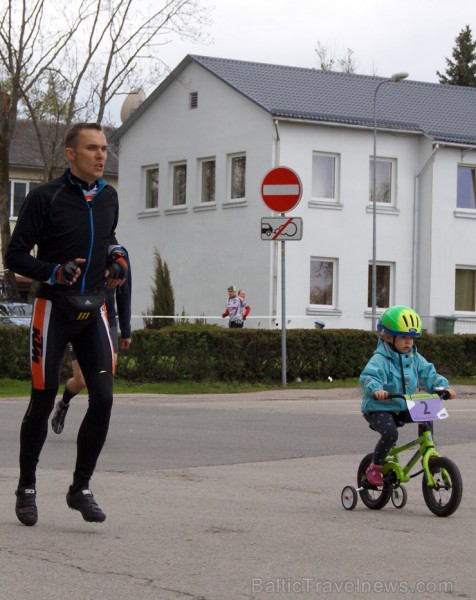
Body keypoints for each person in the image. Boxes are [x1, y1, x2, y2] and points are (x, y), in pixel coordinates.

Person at [5, 122, 129, 526]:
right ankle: (26, 487)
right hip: (52, 310)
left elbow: (109, 238)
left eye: (105, 149)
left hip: (93, 310)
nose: (101, 155)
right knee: (42, 401)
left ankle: (80, 488)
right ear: (70, 154)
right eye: (92, 148)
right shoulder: (46, 198)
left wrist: (118, 259)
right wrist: (54, 271)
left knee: (105, 399)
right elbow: (15, 256)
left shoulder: (109, 197)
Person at [360, 305, 456, 487]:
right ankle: (375, 466)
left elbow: (429, 374)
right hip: (379, 408)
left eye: (411, 337)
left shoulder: (414, 358)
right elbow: (368, 377)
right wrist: (376, 389)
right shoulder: (380, 359)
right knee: (390, 434)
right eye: (403, 337)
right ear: (388, 337)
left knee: (428, 414)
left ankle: (428, 451)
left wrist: (443, 387)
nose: (408, 342)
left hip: (403, 405)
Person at [51, 269, 132, 435]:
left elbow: (124, 295)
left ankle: (95, 424)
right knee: (80, 380)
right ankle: (63, 403)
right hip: (82, 317)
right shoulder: (85, 249)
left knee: (106, 375)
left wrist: (126, 331)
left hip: (108, 321)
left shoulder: (119, 257)